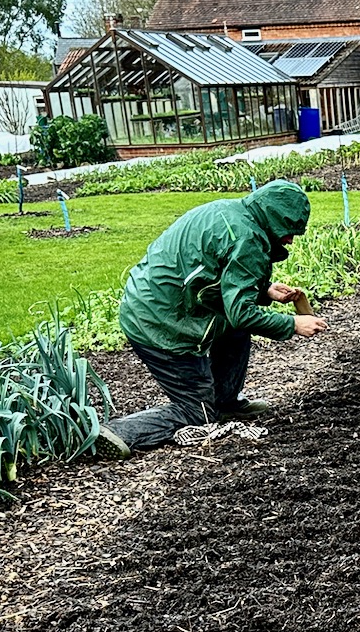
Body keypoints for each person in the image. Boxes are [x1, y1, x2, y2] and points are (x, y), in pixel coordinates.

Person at [97, 179, 328, 454]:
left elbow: (214, 277)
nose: (289, 239)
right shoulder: (247, 239)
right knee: (199, 414)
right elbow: (242, 313)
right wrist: (292, 324)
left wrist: (264, 290)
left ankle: (226, 401)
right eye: (288, 230)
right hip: (159, 322)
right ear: (272, 217)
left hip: (157, 300)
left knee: (235, 329)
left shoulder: (231, 211)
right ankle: (117, 432)